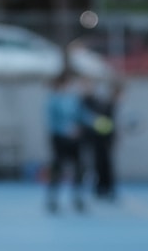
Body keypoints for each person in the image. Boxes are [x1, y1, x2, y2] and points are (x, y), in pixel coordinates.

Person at [45, 71, 90, 213]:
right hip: (59, 139)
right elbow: (52, 122)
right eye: (67, 83)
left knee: (79, 168)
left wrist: (97, 122)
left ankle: (77, 198)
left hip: (75, 139)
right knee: (58, 169)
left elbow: (82, 115)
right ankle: (52, 199)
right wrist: (66, 130)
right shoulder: (53, 100)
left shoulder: (73, 99)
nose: (69, 86)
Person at [83, 79, 124, 201]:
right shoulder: (103, 104)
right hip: (98, 139)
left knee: (106, 165)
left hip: (107, 139)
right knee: (100, 164)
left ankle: (107, 188)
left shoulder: (111, 105)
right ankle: (100, 188)